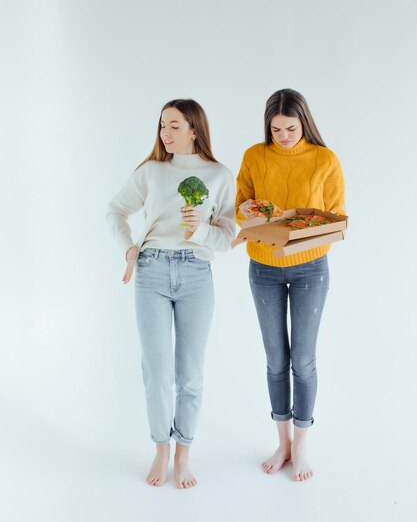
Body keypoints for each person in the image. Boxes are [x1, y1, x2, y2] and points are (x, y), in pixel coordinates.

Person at [106, 99, 235, 489]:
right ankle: (161, 448)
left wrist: (198, 231)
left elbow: (228, 237)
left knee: (190, 374)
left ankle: (184, 453)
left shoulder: (219, 175)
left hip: (197, 273)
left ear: (195, 130)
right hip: (151, 271)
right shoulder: (151, 171)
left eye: (175, 125)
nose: (165, 132)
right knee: (157, 373)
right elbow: (115, 210)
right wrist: (129, 247)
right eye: (163, 125)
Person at [235, 88, 345, 482]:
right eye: (275, 129)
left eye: (290, 128)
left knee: (304, 360)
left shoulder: (324, 159)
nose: (282, 136)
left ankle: (301, 445)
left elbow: (337, 215)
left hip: (310, 269)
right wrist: (248, 210)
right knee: (276, 360)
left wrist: (302, 226)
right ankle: (281, 442)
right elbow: (241, 205)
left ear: (305, 123)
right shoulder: (254, 156)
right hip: (262, 266)